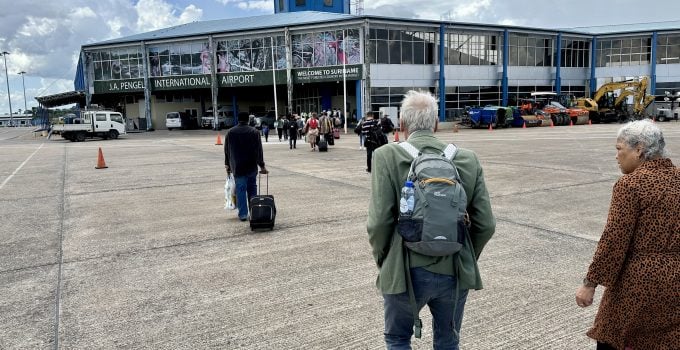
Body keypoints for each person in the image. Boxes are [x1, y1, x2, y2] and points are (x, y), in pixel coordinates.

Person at [367, 90, 495, 349]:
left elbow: (379, 222)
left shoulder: (385, 156)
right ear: (435, 124)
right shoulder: (467, 159)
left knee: (398, 338)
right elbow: (486, 224)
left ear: (402, 126)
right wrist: (465, 253)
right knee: (448, 342)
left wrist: (384, 259)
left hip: (403, 269)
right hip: (454, 269)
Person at [575, 119, 679, 350]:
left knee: (617, 339)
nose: (616, 156)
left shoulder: (631, 185)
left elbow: (614, 240)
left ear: (639, 149)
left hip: (637, 284)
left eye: (619, 149)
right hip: (676, 282)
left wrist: (590, 283)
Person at [224, 112, 268, 221]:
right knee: (252, 189)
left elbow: (226, 150)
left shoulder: (230, 132)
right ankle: (254, 212)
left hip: (237, 166)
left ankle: (243, 214)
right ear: (248, 120)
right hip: (251, 165)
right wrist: (262, 166)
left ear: (238, 119)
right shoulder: (254, 132)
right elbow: (259, 151)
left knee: (240, 189)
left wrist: (227, 165)